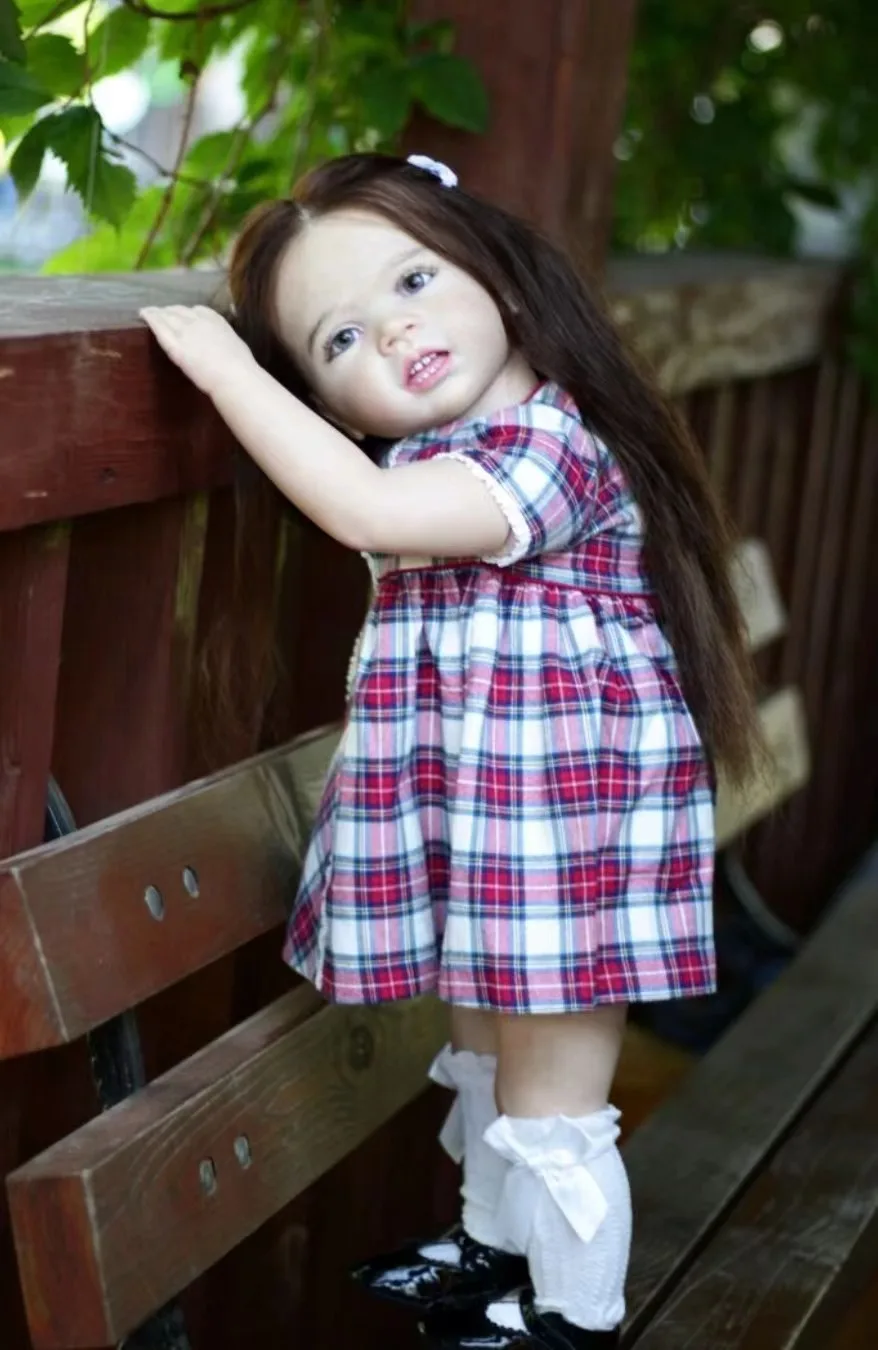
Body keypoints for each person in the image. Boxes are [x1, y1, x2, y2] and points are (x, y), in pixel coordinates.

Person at [140, 151, 760, 1350]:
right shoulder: (426, 456)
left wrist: (225, 372)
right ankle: (492, 1245)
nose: (392, 330)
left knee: (550, 1092)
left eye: (413, 279)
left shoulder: (549, 448)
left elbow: (364, 515)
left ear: (502, 276)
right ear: (331, 403)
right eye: (338, 338)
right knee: (481, 1047)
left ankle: (572, 1313)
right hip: (491, 827)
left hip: (562, 836)